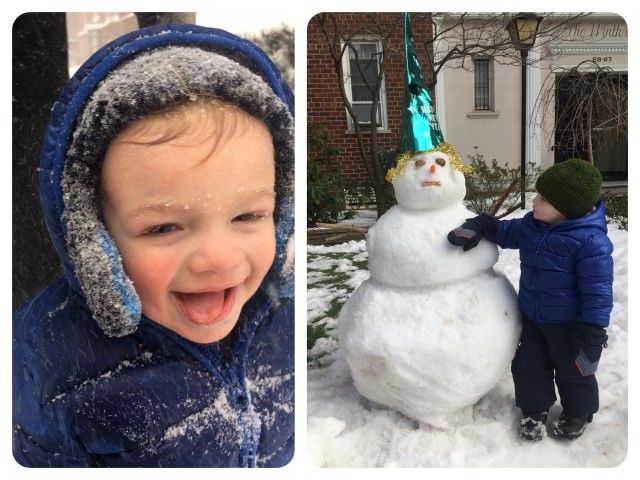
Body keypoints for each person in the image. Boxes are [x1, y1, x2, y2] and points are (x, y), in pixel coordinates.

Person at [12, 23, 295, 467]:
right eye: (163, 228)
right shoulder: (45, 357)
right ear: (94, 239)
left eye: (248, 216)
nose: (218, 258)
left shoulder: (286, 319)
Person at [447, 158, 613, 442]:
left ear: (566, 209)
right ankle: (534, 411)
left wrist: (594, 332)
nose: (534, 202)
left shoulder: (590, 242)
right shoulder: (532, 227)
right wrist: (481, 225)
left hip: (570, 325)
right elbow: (504, 231)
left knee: (574, 372)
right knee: (529, 367)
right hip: (534, 318)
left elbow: (597, 292)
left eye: (543, 199)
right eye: (537, 195)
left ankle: (578, 413)